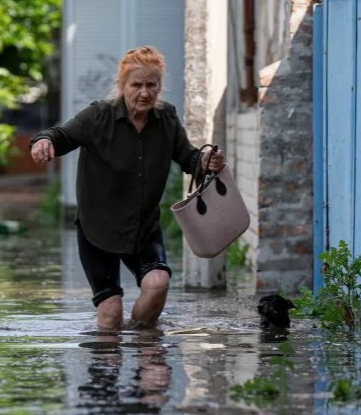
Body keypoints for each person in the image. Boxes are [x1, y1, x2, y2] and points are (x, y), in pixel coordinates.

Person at [28, 46, 224, 330]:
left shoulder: (166, 118)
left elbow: (188, 158)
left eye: (151, 85)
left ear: (159, 86)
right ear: (121, 86)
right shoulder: (98, 116)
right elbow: (61, 135)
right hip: (98, 229)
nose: (144, 93)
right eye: (136, 85)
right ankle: (108, 368)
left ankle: (144, 352)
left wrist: (206, 161)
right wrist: (43, 141)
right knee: (110, 314)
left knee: (158, 284)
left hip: (143, 227)